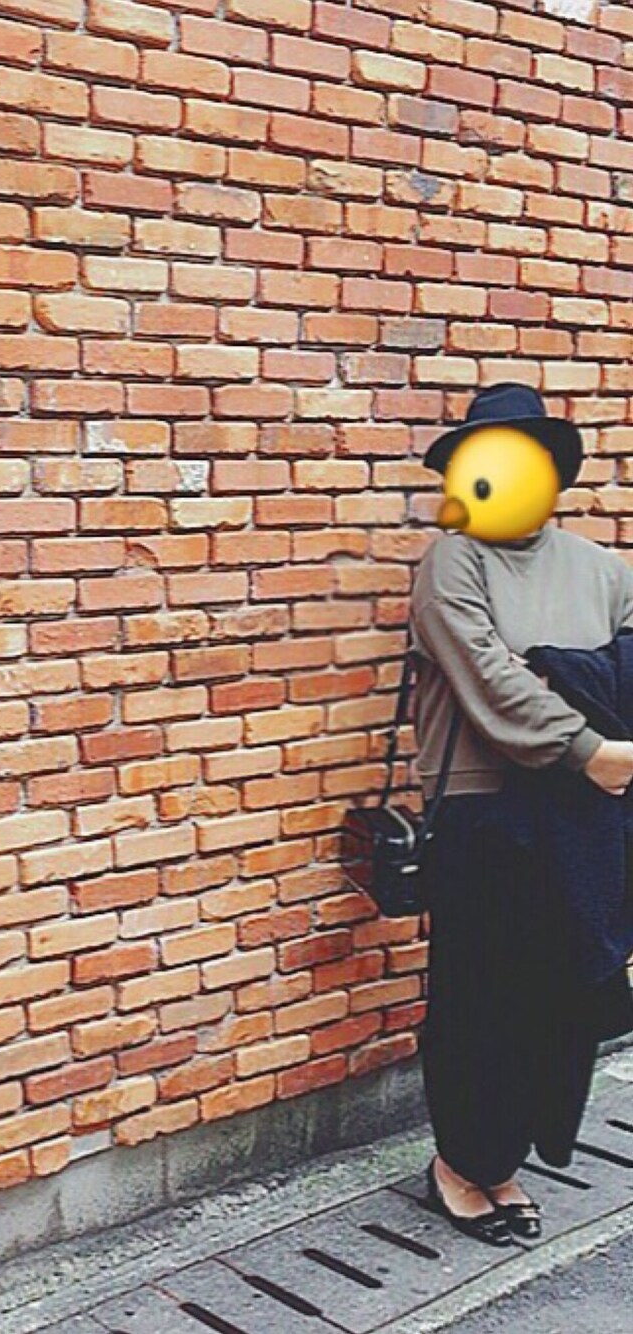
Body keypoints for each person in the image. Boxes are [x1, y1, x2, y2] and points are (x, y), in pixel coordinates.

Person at [408, 383, 633, 1245]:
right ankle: (462, 1165)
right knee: (480, 999)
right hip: (487, 813)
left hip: (582, 819)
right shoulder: (453, 563)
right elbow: (490, 679)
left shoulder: (602, 569)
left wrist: (558, 673)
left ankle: (506, 1158)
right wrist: (588, 743)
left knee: (559, 1000)